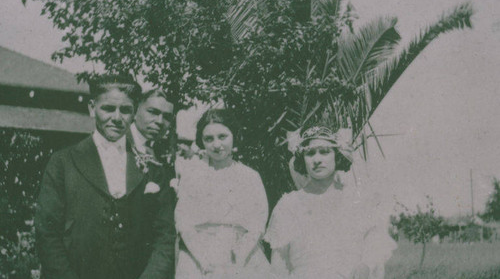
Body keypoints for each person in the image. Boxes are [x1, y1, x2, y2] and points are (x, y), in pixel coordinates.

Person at [35, 75, 177, 279]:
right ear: (92, 108)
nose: (117, 118)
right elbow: (47, 233)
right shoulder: (63, 162)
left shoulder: (153, 170)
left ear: (134, 112)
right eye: (108, 108)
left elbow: (164, 236)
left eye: (126, 110)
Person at [265, 126, 396, 279]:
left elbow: (375, 240)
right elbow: (279, 267)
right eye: (310, 153)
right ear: (303, 160)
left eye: (325, 152)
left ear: (337, 156)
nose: (317, 159)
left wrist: (366, 265)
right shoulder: (288, 206)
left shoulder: (356, 200)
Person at [174, 108, 270, 278]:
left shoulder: (250, 176)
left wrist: (239, 258)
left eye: (222, 137)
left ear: (234, 135)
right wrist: (204, 260)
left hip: (241, 255)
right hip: (199, 256)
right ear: (202, 141)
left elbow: (257, 223)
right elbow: (184, 222)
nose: (216, 145)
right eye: (209, 139)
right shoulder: (192, 176)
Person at [128, 88, 176, 179]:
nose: (160, 121)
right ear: (134, 112)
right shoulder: (119, 142)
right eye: (153, 112)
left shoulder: (161, 150)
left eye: (167, 117)